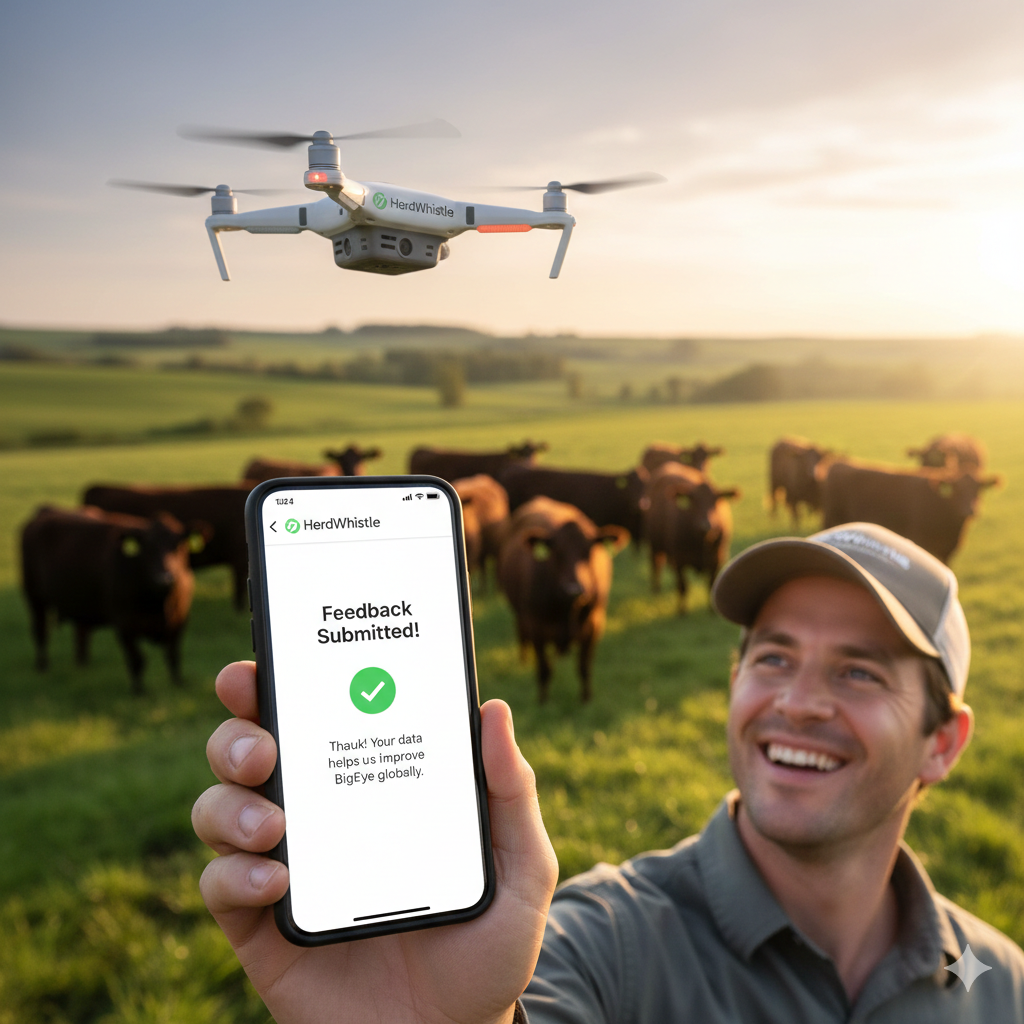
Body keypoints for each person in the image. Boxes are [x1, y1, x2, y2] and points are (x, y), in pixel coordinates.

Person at [192, 523, 1024, 1023]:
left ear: (943, 743)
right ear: (733, 684)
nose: (798, 702)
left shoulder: (996, 978)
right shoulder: (603, 946)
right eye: (773, 657)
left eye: (859, 672)